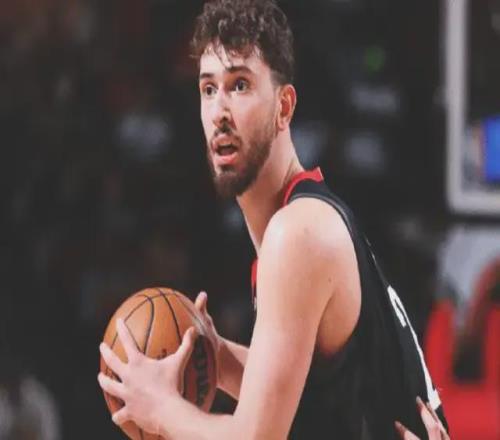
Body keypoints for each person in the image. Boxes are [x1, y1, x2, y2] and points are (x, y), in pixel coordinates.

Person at [98, 0, 449, 438]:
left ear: (284, 108)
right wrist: (220, 358)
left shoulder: (296, 235)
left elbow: (258, 436)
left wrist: (161, 408)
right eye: (209, 89)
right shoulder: (306, 218)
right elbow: (304, 403)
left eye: (240, 85)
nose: (220, 112)